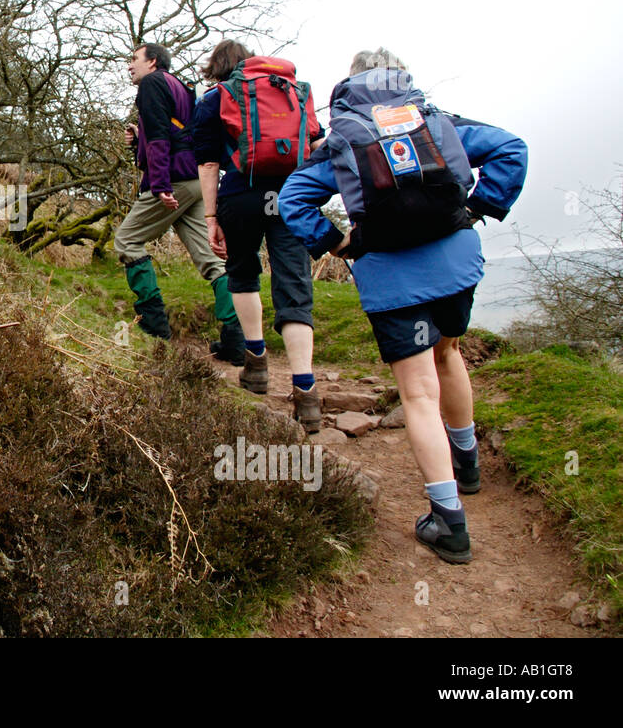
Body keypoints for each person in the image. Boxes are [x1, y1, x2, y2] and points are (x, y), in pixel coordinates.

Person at [278, 48, 528, 564]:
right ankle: (469, 464)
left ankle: (449, 522)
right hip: (456, 264)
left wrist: (335, 242)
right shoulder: (436, 122)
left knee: (416, 394)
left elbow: (292, 199)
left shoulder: (345, 138)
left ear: (352, 84)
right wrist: (478, 209)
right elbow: (511, 148)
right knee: (450, 353)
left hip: (391, 275)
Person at [192, 40, 325, 431]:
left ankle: (257, 364)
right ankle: (306, 392)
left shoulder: (215, 98)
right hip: (291, 197)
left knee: (243, 272)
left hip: (240, 195)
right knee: (294, 285)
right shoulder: (294, 92)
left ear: (219, 67)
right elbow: (317, 146)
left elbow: (209, 163)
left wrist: (212, 216)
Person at [113, 42, 243, 357]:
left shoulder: (153, 83)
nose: (130, 65)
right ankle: (236, 340)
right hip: (197, 180)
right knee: (212, 259)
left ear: (153, 61)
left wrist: (158, 184)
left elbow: (159, 137)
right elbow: (176, 134)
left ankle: (154, 326)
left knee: (127, 241)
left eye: (134, 59)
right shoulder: (181, 88)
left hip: (174, 181)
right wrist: (138, 139)